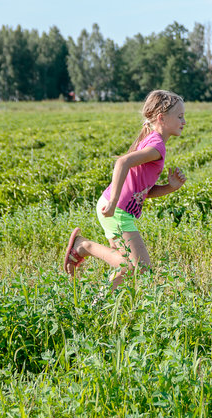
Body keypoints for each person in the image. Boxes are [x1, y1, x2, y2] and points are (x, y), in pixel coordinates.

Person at [63, 89, 187, 291]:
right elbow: (122, 162)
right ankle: (84, 246)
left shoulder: (152, 140)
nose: (184, 121)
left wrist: (170, 187)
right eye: (180, 116)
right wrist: (113, 204)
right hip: (117, 210)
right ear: (161, 118)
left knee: (126, 267)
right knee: (142, 268)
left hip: (116, 208)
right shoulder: (157, 146)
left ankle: (98, 306)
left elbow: (143, 190)